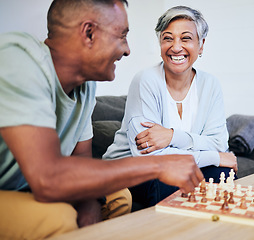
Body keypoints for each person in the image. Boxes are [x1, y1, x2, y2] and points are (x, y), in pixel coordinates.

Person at [0, 1, 203, 239]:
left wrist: (89, 208)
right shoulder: (18, 58)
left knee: (118, 197)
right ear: (89, 33)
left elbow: (81, 159)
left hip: (33, 185)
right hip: (23, 186)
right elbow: (47, 177)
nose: (127, 50)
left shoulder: (84, 86)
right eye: (122, 36)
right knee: (57, 217)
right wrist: (159, 166)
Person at [104, 6, 237, 204]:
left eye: (186, 38)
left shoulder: (210, 84)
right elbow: (148, 156)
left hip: (174, 166)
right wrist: (215, 157)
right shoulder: (146, 80)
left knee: (224, 174)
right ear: (160, 43)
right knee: (167, 182)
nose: (176, 47)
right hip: (131, 170)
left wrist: (172, 136)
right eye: (168, 38)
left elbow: (218, 144)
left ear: (201, 46)